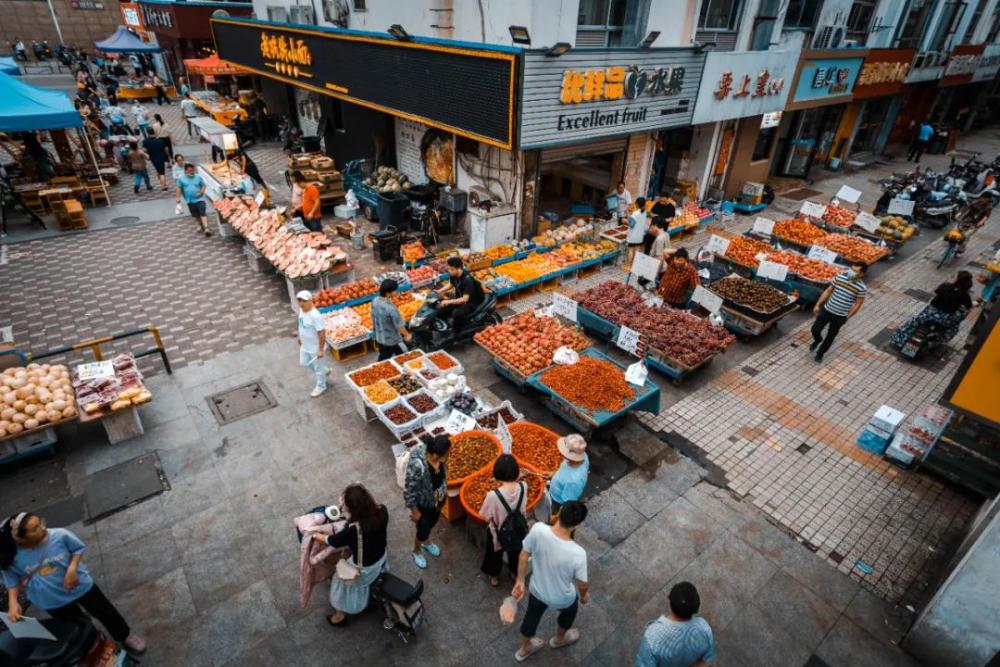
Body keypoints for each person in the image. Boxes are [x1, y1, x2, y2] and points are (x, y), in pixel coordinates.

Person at [1, 512, 146, 655]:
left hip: (80, 586)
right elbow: (11, 580)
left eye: (40, 523)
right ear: (21, 538)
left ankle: (124, 636)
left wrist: (72, 569)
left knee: (105, 611)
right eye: (35, 529)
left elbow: (77, 549)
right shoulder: (12, 556)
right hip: (52, 599)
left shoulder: (59, 535)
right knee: (76, 625)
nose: (43, 528)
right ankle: (93, 643)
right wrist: (13, 602)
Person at [512, 500, 589, 662]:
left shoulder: (538, 529)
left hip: (537, 590)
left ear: (559, 512)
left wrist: (520, 580)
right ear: (577, 525)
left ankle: (524, 648)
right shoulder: (578, 553)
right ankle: (559, 639)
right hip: (562, 598)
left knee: (531, 616)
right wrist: (584, 596)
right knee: (569, 612)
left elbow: (524, 554)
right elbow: (582, 584)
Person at [311, 484, 389, 626]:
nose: (343, 506)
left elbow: (333, 541)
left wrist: (316, 535)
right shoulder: (382, 511)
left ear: (353, 509)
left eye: (345, 504)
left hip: (363, 568)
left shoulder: (354, 529)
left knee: (341, 583)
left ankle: (340, 615)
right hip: (380, 557)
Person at [891, 271, 979, 349]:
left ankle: (899, 340)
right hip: (944, 319)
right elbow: (968, 306)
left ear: (958, 279)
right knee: (953, 329)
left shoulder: (945, 286)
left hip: (929, 314)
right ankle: (935, 343)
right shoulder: (965, 295)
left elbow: (936, 292)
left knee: (912, 323)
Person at [634, 582, 715, 667]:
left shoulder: (652, 636)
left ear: (669, 597)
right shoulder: (704, 627)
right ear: (696, 606)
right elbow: (708, 660)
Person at [480, 454, 530, 587]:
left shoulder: (492, 496)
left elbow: (486, 517)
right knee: (515, 552)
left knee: (494, 554)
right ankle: (515, 573)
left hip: (498, 532)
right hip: (518, 530)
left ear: (497, 475)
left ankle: (494, 576)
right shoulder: (524, 486)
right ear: (517, 473)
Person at [403, 434, 450, 570]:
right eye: (447, 453)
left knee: (431, 524)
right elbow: (409, 490)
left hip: (436, 503)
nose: (448, 455)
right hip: (424, 505)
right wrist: (415, 511)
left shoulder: (440, 460)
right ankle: (416, 550)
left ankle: (427, 542)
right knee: (422, 530)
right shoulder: (418, 466)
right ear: (435, 455)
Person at [810, 263, 867, 362]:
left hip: (840, 316)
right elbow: (828, 291)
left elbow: (858, 304)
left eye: (855, 271)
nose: (851, 272)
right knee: (815, 329)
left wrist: (847, 317)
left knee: (830, 336)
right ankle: (818, 340)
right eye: (851, 269)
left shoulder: (861, 288)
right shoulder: (840, 278)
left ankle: (820, 353)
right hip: (827, 310)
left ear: (861, 274)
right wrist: (818, 304)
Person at [438, 255, 485, 330]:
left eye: (452, 269)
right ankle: (446, 327)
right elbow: (451, 284)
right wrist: (439, 291)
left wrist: (449, 301)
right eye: (449, 269)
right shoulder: (454, 274)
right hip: (460, 298)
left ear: (459, 268)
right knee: (442, 308)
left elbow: (464, 299)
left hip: (470, 302)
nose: (449, 271)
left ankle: (458, 331)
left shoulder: (467, 280)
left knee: (456, 313)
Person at [548, 434, 589, 520]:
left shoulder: (574, 481)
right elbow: (564, 470)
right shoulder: (584, 457)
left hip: (558, 500)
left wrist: (556, 517)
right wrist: (554, 474)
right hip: (557, 490)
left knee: (555, 512)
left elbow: (567, 504)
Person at [296, 290, 327, 398]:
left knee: (318, 369)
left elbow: (322, 333)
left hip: (315, 348)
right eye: (299, 300)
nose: (301, 303)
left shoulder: (315, 316)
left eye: (304, 301)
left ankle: (321, 386)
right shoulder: (301, 310)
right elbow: (300, 323)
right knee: (304, 363)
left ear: (310, 300)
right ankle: (325, 371)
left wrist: (320, 349)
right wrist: (299, 336)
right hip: (305, 345)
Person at [372, 279, 412, 360]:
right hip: (392, 340)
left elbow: (373, 317)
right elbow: (399, 326)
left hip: (380, 337)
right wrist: (407, 335)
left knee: (384, 357)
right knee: (405, 357)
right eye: (395, 290)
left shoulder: (375, 301)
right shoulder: (391, 308)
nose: (396, 292)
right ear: (388, 293)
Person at [175, 162, 210, 236]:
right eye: (190, 170)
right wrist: (178, 198)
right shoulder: (181, 179)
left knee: (202, 211)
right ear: (185, 171)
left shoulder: (198, 177)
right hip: (189, 200)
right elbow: (178, 188)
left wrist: (201, 192)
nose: (192, 172)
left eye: (193, 170)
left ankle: (206, 228)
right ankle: (200, 224)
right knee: (196, 214)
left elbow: (203, 185)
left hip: (200, 199)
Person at [626, 197, 648, 268]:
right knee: (636, 250)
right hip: (640, 235)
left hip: (633, 235)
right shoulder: (644, 212)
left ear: (637, 204)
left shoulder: (635, 214)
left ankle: (629, 265)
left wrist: (625, 221)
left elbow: (631, 224)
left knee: (630, 250)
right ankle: (634, 264)